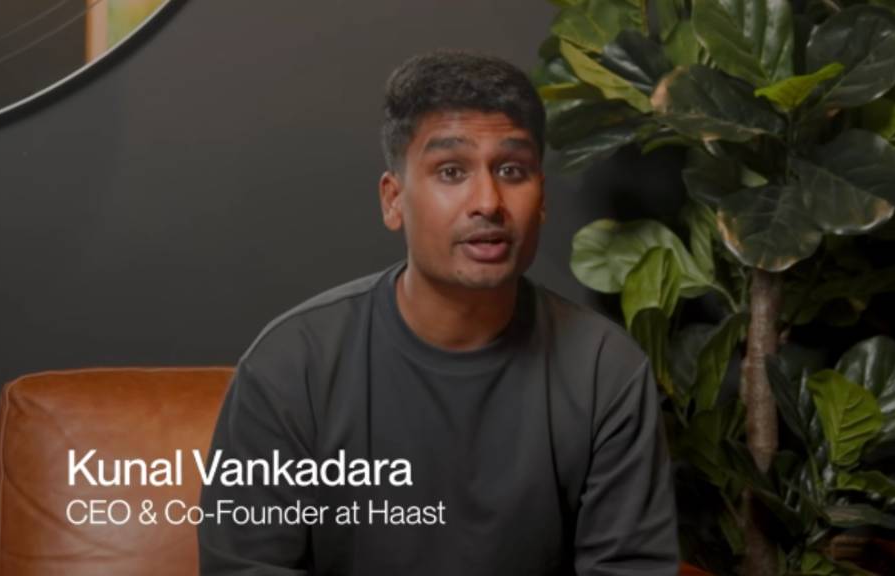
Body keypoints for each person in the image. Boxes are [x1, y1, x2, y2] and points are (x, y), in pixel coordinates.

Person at [198, 49, 679, 576]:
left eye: (512, 170)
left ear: (541, 198)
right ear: (393, 199)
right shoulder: (291, 367)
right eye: (451, 171)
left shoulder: (606, 373)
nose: (488, 202)